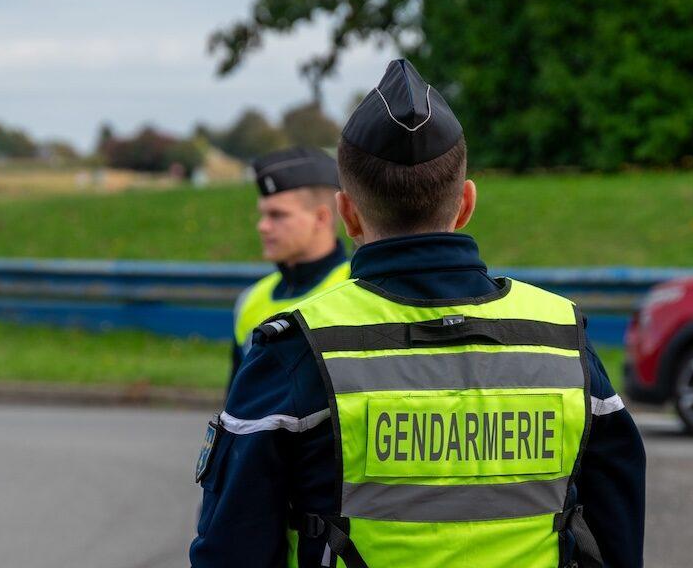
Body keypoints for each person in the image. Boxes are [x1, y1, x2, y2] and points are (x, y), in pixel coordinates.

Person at [191, 59, 645, 568]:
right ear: (466, 202)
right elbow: (614, 538)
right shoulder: (564, 342)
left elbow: (230, 550)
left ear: (348, 215)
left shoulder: (297, 352)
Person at [228, 147, 351, 387]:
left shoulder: (357, 288)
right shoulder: (250, 300)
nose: (263, 226)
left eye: (277, 215)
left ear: (321, 218)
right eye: (263, 214)